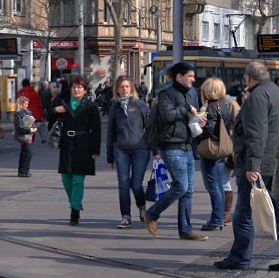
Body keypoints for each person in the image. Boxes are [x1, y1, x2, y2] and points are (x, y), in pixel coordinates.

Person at [214, 60, 279, 270]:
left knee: (243, 214)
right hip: (272, 160)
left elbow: (257, 134)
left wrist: (253, 166)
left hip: (259, 164)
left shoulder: (258, 96)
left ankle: (239, 258)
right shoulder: (274, 91)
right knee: (275, 210)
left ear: (248, 78)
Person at [144, 61, 208, 241]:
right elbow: (168, 115)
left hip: (187, 145)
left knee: (188, 191)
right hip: (171, 145)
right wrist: (187, 109)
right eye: (190, 76)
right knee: (181, 186)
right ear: (179, 76)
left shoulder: (190, 93)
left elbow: (189, 116)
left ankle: (186, 230)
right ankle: (152, 214)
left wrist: (198, 119)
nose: (193, 79)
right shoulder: (166, 94)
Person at [48, 76, 101, 225]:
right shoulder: (63, 102)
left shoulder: (90, 106)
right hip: (66, 143)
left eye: (79, 87)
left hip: (84, 144)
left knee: (78, 179)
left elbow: (96, 130)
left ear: (84, 90)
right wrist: (55, 110)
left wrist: (95, 150)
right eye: (74, 87)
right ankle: (75, 202)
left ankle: (75, 209)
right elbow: (48, 115)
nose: (76, 90)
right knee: (66, 178)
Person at [105, 75, 150, 228]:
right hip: (121, 149)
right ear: (117, 89)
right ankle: (126, 216)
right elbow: (110, 132)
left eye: (126, 86)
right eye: (121, 87)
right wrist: (109, 157)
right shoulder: (115, 107)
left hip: (140, 149)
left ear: (131, 88)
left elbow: (150, 128)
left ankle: (142, 207)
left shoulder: (140, 105)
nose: (124, 89)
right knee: (123, 183)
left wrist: (156, 150)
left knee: (136, 184)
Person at [197, 77, 239, 232]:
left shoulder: (211, 107)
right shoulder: (224, 105)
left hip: (211, 149)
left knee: (212, 185)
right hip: (221, 149)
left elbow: (209, 129)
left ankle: (216, 219)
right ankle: (220, 217)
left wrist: (199, 128)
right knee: (219, 184)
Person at [14, 93, 36, 177]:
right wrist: (30, 129)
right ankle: (23, 172)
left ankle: (24, 171)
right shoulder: (18, 114)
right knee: (27, 153)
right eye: (25, 104)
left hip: (29, 136)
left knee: (25, 153)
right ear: (21, 104)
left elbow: (32, 122)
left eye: (27, 103)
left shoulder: (28, 112)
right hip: (23, 136)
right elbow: (19, 127)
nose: (27, 105)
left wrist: (34, 127)